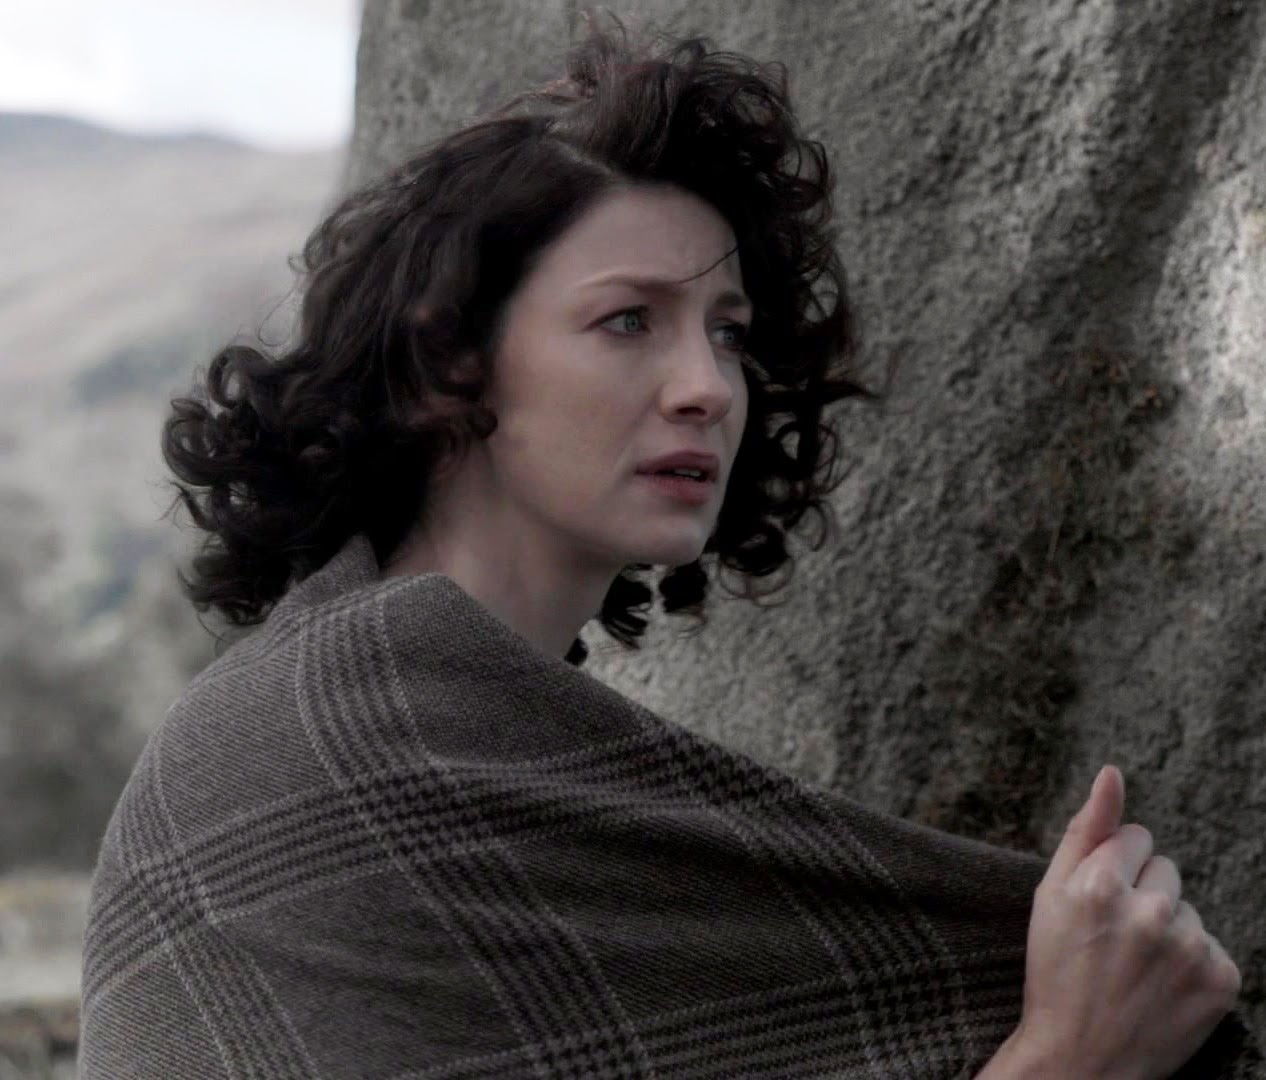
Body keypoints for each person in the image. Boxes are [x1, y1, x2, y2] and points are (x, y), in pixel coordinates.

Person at [77, 8, 1248, 1078]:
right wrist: (1069, 1057)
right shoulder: (284, 760)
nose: (707, 386)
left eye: (728, 333)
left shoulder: (565, 794)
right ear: (450, 363)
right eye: (628, 319)